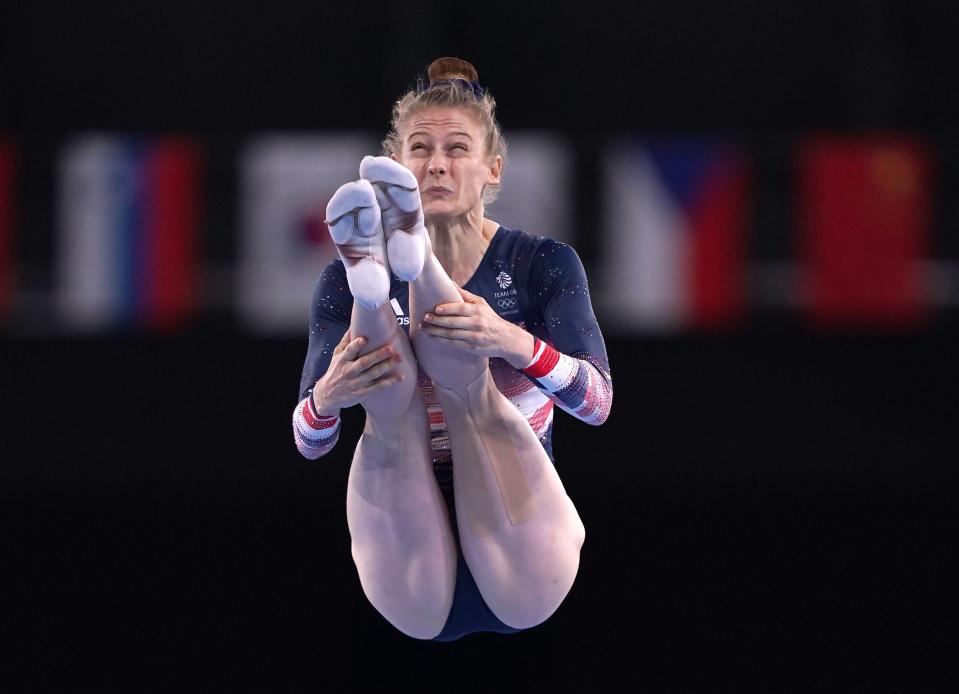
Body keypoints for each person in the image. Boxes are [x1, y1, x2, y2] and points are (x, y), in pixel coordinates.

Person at [292, 57, 613, 641]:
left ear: (493, 168)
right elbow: (309, 441)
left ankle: (410, 264)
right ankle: (391, 276)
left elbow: (595, 403)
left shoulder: (541, 263)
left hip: (519, 534)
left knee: (470, 390)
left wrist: (511, 340)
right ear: (398, 164)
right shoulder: (337, 282)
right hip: (410, 527)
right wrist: (328, 398)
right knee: (390, 403)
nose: (437, 163)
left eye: (457, 148)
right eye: (420, 147)